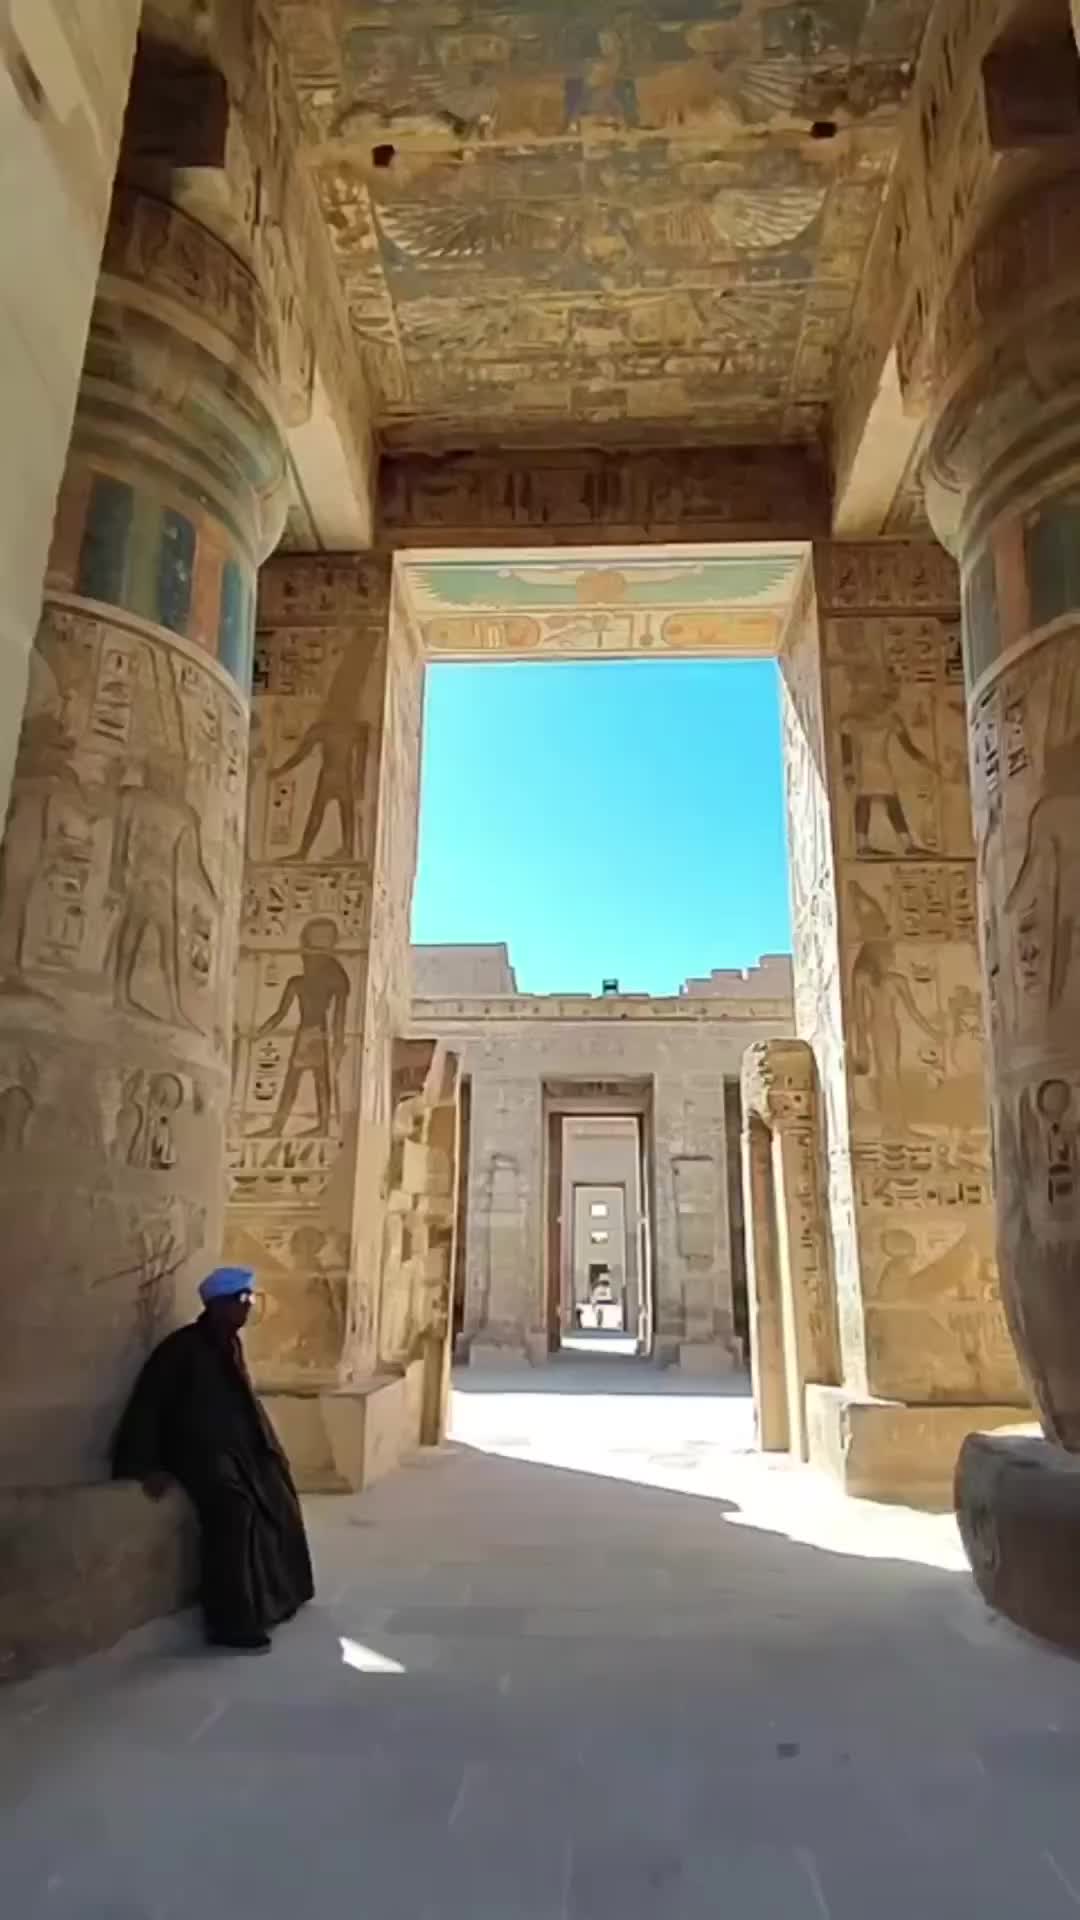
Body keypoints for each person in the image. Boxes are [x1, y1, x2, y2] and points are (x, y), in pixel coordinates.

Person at [112, 1265, 314, 1653]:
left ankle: (281, 1592)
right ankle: (230, 1620)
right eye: (243, 1300)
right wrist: (145, 1466)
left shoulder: (228, 1345)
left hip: (234, 1449)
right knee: (233, 1511)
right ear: (220, 1305)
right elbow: (148, 1408)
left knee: (275, 1489)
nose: (249, 1308)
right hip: (196, 1455)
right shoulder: (181, 1349)